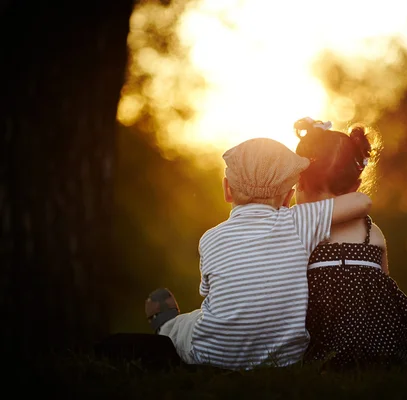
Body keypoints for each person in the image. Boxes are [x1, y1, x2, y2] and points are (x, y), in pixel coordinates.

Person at [144, 137, 372, 370]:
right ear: (287, 197)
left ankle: (167, 327)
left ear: (227, 190)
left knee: (190, 323)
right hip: (286, 359)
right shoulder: (298, 221)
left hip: (213, 356)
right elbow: (362, 201)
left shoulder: (210, 238)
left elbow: (209, 292)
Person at [294, 117, 407, 368]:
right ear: (356, 184)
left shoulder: (300, 228)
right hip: (382, 344)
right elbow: (385, 287)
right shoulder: (373, 232)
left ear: (300, 182)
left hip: (324, 345)